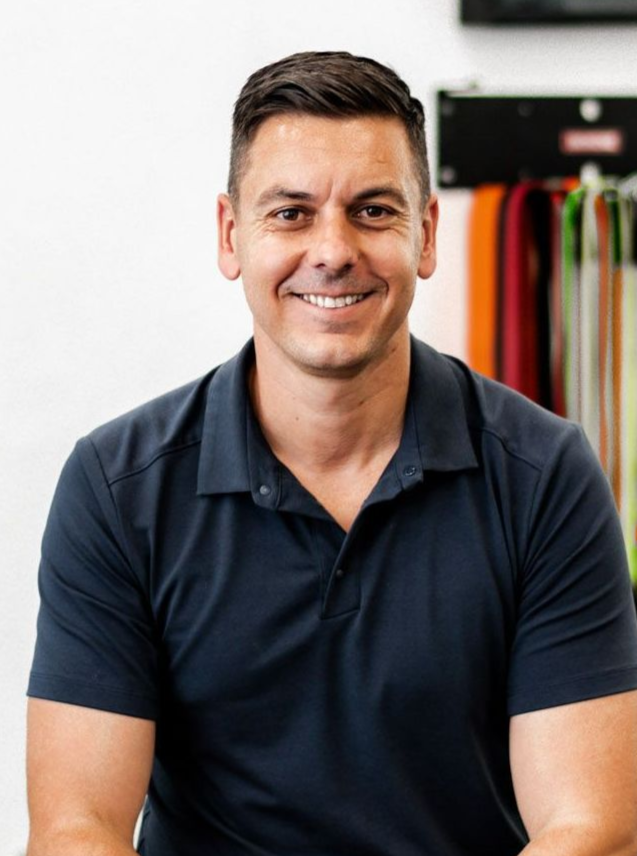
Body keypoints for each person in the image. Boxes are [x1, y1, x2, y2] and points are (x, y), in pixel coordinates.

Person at [26, 51, 637, 856]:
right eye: (290, 213)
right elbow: (77, 830)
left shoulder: (545, 477)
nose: (332, 249)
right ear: (230, 235)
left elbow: (591, 830)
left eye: (372, 210)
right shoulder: (117, 488)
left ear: (424, 235)